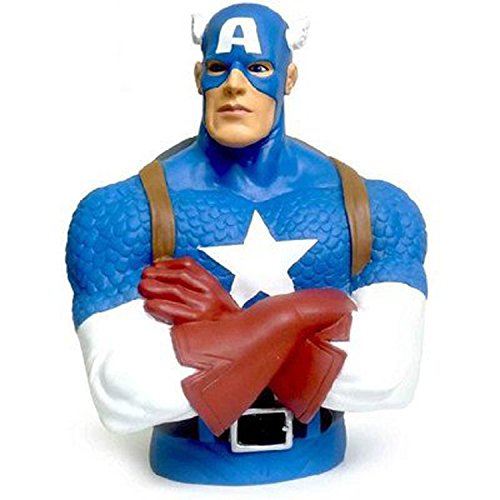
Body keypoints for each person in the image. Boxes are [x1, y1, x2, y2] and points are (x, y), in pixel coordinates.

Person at [66, 3, 427, 486]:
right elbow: (125, 393)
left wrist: (227, 325)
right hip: (179, 477)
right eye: (220, 67)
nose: (235, 84)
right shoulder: (124, 212)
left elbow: (386, 376)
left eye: (258, 68)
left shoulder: (371, 208)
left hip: (331, 480)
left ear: (288, 77)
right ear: (200, 77)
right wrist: (299, 318)